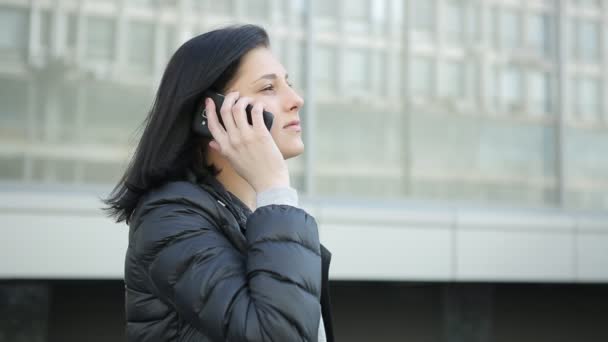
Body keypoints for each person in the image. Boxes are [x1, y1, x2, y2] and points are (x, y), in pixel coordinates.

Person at [104, 24, 334, 341]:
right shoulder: (170, 218)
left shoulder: (251, 217)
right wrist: (274, 184)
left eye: (288, 84)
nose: (296, 99)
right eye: (268, 88)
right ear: (208, 113)